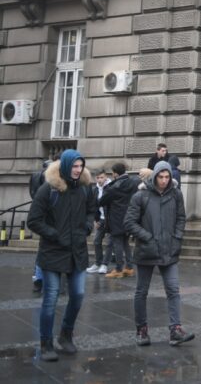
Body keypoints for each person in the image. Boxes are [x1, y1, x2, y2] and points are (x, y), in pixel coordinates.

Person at [27, 149, 97, 362]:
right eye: (74, 166)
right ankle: (46, 342)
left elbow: (91, 211)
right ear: (66, 166)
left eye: (80, 166)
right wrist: (54, 234)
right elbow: (33, 220)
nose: (78, 170)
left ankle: (66, 334)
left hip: (77, 252)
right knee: (51, 298)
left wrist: (87, 226)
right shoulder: (49, 189)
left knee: (77, 295)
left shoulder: (86, 189)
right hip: (52, 252)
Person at [124, 160, 194, 347]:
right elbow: (129, 222)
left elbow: (181, 218)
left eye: (167, 176)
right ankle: (142, 329)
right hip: (146, 250)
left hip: (169, 250)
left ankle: (175, 329)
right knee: (141, 291)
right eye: (161, 176)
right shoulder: (141, 195)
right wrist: (147, 237)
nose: (164, 180)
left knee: (173, 290)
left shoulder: (176, 194)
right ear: (154, 176)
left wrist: (177, 238)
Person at [98, 162, 139, 278]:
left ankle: (118, 269)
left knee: (117, 243)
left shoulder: (114, 186)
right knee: (125, 242)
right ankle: (129, 267)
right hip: (129, 217)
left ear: (115, 173)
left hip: (116, 218)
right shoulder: (132, 183)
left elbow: (102, 201)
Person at [29, 155, 56, 293]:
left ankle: (38, 279)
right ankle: (42, 279)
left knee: (42, 249)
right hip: (49, 218)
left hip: (40, 217)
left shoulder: (34, 176)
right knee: (45, 250)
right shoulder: (51, 179)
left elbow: (32, 194)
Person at [85, 169, 110, 275]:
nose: (100, 180)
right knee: (96, 241)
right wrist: (95, 220)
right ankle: (98, 263)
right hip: (101, 219)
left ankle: (105, 264)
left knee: (110, 243)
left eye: (102, 177)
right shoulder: (95, 189)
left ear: (106, 177)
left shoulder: (110, 187)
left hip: (110, 220)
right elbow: (93, 205)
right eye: (98, 178)